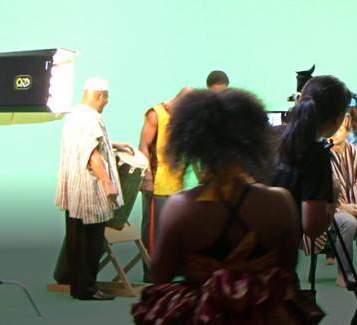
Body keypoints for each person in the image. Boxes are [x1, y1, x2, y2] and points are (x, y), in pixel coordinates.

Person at [132, 88, 308, 324]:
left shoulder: (180, 207)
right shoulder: (280, 202)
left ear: (192, 142)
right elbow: (286, 270)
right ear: (252, 140)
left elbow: (160, 275)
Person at [54, 78, 133, 300]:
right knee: (91, 243)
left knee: (76, 239)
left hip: (75, 190)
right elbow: (92, 153)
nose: (105, 103)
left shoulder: (74, 114)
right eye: (105, 100)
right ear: (101, 96)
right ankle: (88, 289)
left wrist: (113, 144)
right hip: (90, 191)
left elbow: (85, 143)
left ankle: (78, 287)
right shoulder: (91, 118)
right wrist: (108, 183)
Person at [272, 75, 351, 249]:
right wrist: (333, 197)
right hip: (275, 258)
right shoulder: (316, 157)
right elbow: (312, 227)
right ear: (339, 118)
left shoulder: (273, 135)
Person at [137, 87, 193, 282]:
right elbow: (143, 146)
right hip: (157, 183)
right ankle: (152, 271)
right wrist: (147, 178)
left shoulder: (183, 119)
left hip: (176, 184)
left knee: (176, 230)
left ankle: (173, 267)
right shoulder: (156, 114)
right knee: (154, 231)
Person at [327, 114, 357, 287]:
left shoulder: (353, 150)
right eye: (331, 131)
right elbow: (320, 193)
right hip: (329, 211)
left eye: (338, 130)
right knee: (349, 223)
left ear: (346, 129)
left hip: (355, 205)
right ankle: (344, 273)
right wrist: (342, 207)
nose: (335, 134)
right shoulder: (323, 155)